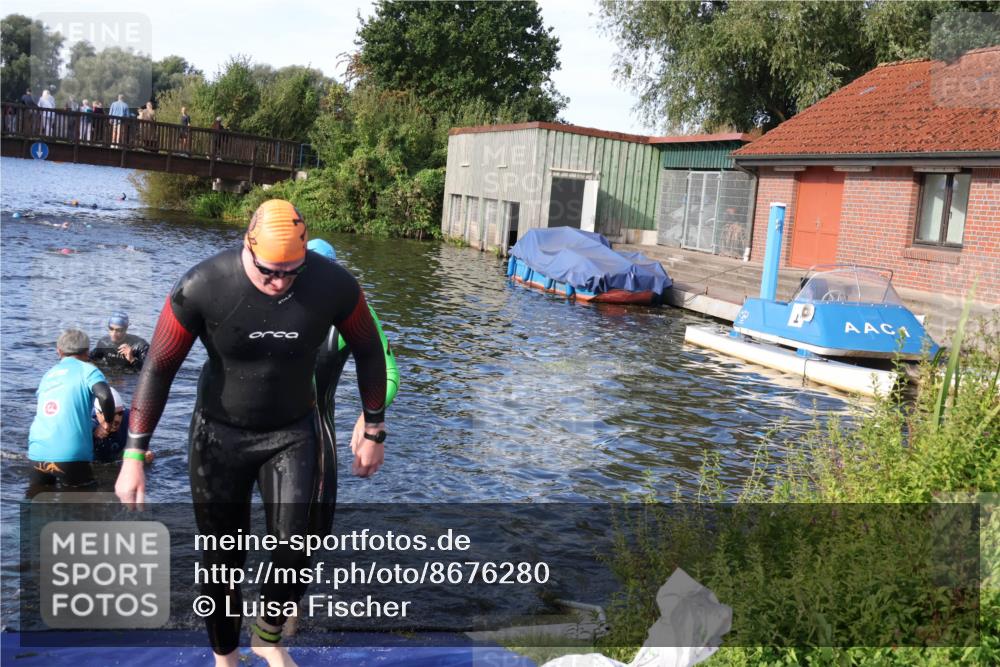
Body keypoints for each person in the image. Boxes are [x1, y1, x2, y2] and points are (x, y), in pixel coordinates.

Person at [114, 199, 388, 667]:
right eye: (268, 272)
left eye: (291, 273)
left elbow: (369, 348)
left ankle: (268, 636)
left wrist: (374, 428)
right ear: (248, 246)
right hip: (219, 437)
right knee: (223, 557)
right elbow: (158, 368)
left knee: (298, 542)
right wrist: (134, 455)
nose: (279, 283)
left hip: (292, 431)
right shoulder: (203, 285)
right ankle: (227, 657)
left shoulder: (334, 285)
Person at [27, 329, 117, 497]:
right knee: (85, 506)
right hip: (71, 455)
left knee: (37, 509)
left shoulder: (48, 374)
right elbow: (104, 395)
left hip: (37, 453)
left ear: (59, 351)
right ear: (87, 351)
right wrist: (107, 423)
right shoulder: (88, 370)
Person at [91, 387, 155, 464]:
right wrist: (93, 434)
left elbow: (144, 447)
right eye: (112, 414)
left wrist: (146, 454)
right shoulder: (88, 424)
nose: (117, 419)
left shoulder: (130, 418)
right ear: (98, 414)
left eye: (120, 413)